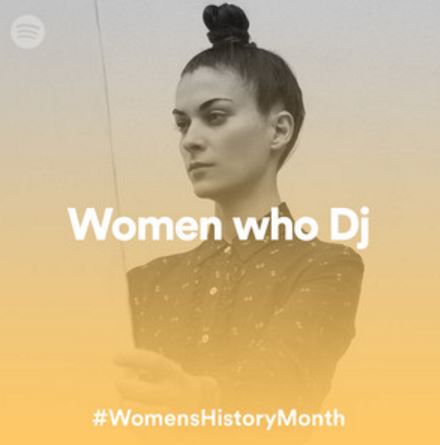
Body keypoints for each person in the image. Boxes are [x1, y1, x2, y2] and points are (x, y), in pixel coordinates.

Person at [114, 3, 365, 414]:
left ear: (278, 130)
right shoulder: (143, 284)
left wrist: (198, 396)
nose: (190, 140)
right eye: (182, 124)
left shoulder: (326, 267)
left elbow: (287, 381)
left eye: (215, 117)